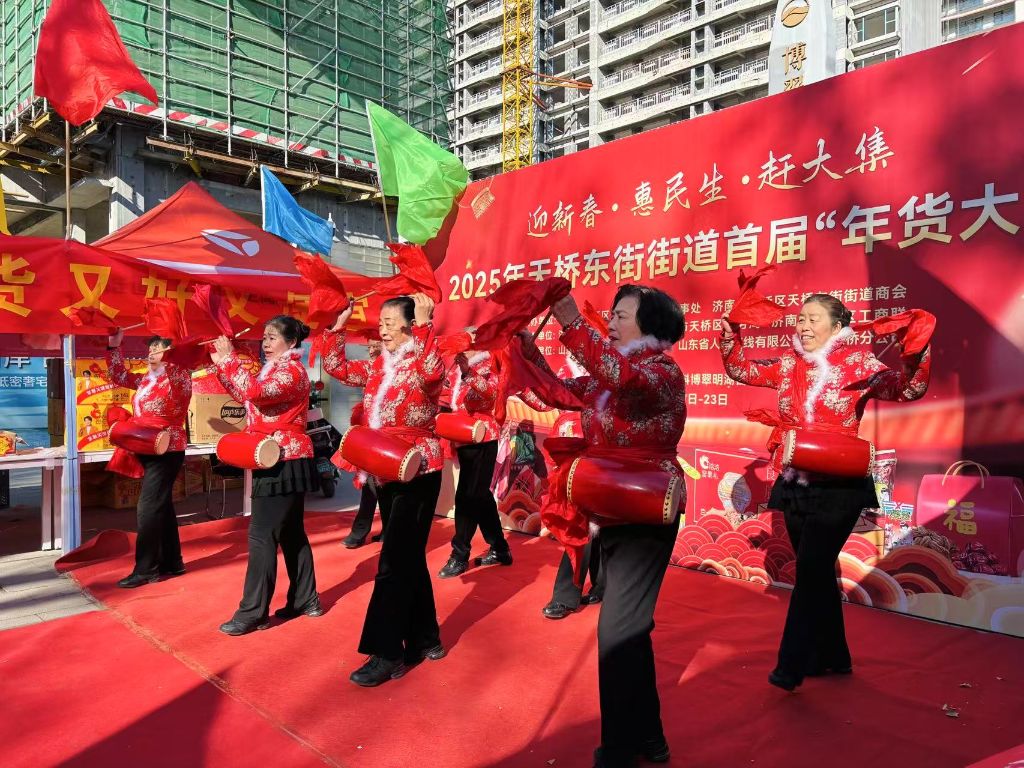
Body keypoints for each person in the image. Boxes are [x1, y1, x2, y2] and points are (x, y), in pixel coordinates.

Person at [719, 293, 931, 691]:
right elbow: (741, 370)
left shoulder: (859, 363)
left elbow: (907, 389)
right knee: (816, 570)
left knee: (812, 568)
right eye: (800, 318)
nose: (803, 325)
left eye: (813, 319)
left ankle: (792, 664)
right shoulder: (788, 364)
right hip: (796, 481)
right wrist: (731, 335)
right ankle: (835, 655)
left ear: (837, 327)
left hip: (841, 484)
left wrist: (915, 351)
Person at [522, 284, 686, 768]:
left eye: (621, 316)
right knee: (629, 628)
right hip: (609, 504)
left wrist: (572, 322)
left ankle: (618, 748)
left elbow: (622, 377)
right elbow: (554, 392)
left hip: (647, 507)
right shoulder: (605, 379)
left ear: (651, 326)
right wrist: (524, 350)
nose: (610, 323)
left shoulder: (661, 372)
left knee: (617, 631)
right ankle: (649, 736)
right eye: (610, 316)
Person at [323, 293, 447, 686]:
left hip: (417, 469)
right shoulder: (380, 364)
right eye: (382, 322)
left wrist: (426, 325)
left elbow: (432, 374)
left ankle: (387, 651)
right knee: (407, 556)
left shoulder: (424, 357)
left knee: (393, 561)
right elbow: (337, 367)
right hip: (384, 468)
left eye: (391, 321)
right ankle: (426, 637)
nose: (384, 328)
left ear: (411, 324)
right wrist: (338, 326)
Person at [211, 316, 322, 636]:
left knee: (261, 536)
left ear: (291, 343)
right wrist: (222, 366)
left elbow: (256, 392)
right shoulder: (274, 369)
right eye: (265, 337)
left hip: (282, 457)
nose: (266, 343)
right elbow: (246, 394)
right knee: (291, 534)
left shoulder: (291, 371)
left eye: (273, 338)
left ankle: (253, 612)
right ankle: (306, 599)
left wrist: (230, 360)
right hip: (275, 455)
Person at [107, 331, 193, 588]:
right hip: (146, 445)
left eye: (158, 349)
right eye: (151, 349)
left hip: (167, 447)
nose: (151, 354)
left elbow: (179, 362)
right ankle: (173, 562)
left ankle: (146, 569)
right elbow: (119, 375)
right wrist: (114, 347)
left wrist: (175, 349)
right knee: (160, 505)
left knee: (148, 506)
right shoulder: (147, 379)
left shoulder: (179, 377)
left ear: (171, 354)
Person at [437, 350, 513, 578]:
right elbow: (450, 398)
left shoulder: (491, 363)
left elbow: (491, 394)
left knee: (467, 497)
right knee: (479, 496)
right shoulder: (455, 365)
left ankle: (459, 555)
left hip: (483, 436)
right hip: (462, 435)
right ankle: (500, 548)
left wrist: (467, 372)